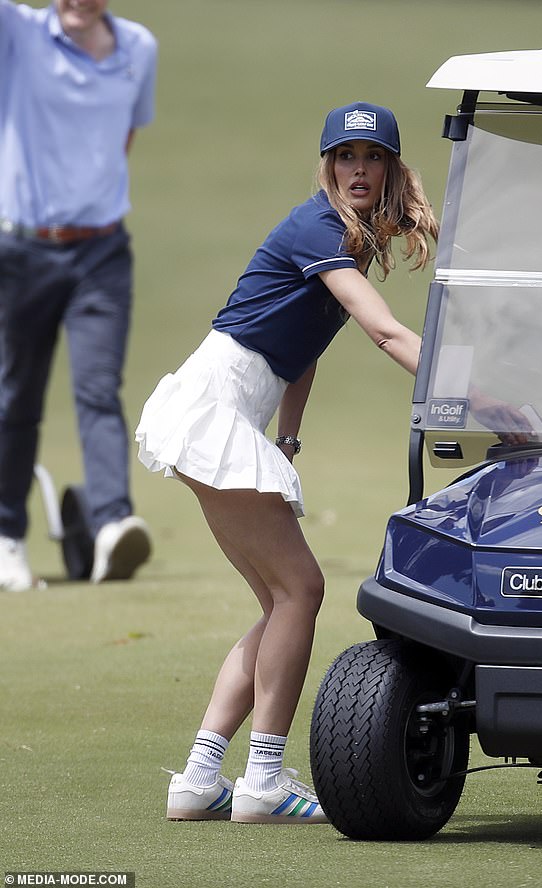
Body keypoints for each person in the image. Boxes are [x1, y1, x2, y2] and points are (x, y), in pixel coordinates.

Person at [136, 101, 440, 825]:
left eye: (371, 157)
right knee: (301, 591)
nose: (357, 170)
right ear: (327, 167)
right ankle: (264, 780)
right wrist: (465, 390)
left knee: (280, 603)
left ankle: (202, 776)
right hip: (210, 408)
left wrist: (289, 438)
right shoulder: (319, 225)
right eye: (344, 157)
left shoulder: (351, 242)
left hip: (220, 413)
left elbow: (300, 352)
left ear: (392, 169)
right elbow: (383, 331)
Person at [0, 0, 157, 590]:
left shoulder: (138, 48)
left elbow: (121, 139)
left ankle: (113, 522)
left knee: (98, 388)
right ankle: (6, 535)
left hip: (101, 251)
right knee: (16, 393)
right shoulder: (16, 30)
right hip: (23, 249)